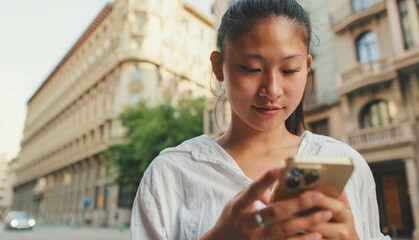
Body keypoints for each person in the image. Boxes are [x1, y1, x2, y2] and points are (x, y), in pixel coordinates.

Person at [131, 0, 391, 239]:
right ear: (218, 67)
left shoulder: (344, 164)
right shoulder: (170, 174)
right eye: (251, 69)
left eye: (290, 70)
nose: (273, 89)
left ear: (307, 67)